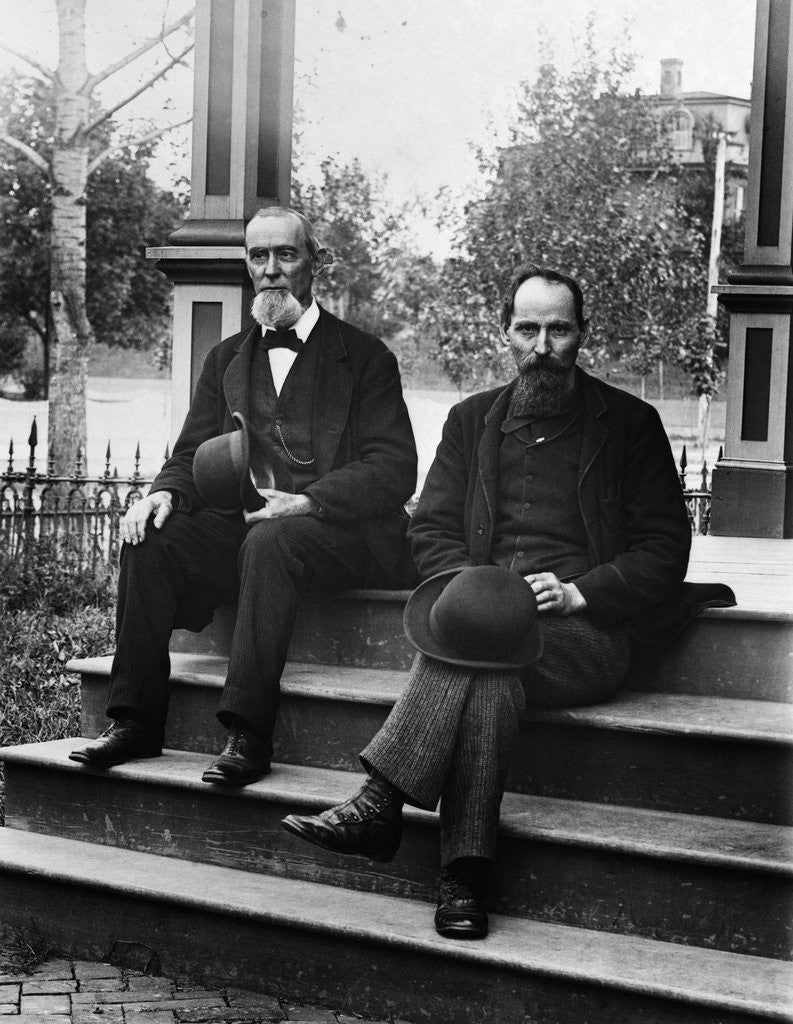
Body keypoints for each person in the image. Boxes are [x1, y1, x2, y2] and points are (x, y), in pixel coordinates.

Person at [281, 264, 734, 940]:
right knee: (487, 670)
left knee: (476, 652)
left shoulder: (631, 425)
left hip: (586, 631)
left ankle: (380, 801)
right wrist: (477, 591)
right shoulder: (470, 422)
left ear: (581, 335)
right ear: (505, 334)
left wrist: (580, 590)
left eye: (557, 329)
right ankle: (463, 879)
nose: (542, 345)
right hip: (485, 625)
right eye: (527, 329)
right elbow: (429, 529)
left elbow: (664, 549)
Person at [70, 206, 418, 786]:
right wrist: (162, 494)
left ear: (315, 261)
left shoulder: (365, 357)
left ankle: (248, 733)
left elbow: (394, 467)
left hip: (338, 531)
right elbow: (189, 452)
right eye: (260, 256)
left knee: (271, 538)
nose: (273, 270)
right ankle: (134, 720)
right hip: (250, 524)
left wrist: (308, 502)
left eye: (287, 254)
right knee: (153, 536)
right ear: (247, 266)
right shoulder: (227, 356)